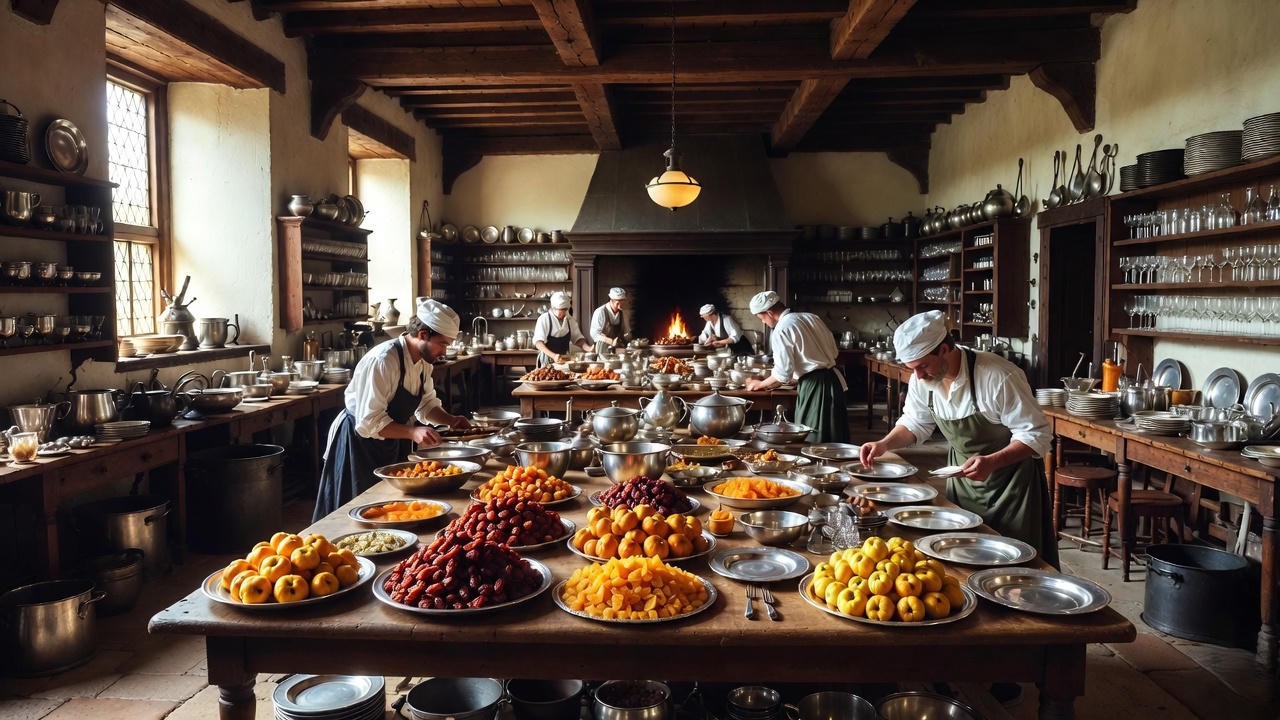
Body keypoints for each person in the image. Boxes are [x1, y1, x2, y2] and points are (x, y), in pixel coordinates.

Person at [858, 309, 1058, 567]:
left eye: (922, 367)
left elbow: (1036, 434)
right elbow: (915, 423)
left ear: (943, 349)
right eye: (912, 369)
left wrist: (992, 462)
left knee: (1013, 560)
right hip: (962, 481)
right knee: (962, 554)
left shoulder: (997, 376)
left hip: (1011, 485)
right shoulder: (924, 380)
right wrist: (884, 444)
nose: (917, 376)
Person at [313, 298, 472, 520]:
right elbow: (369, 421)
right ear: (423, 335)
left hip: (390, 439)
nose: (444, 351)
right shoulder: (384, 360)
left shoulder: (424, 361)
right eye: (443, 344)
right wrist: (412, 432)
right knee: (356, 511)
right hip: (358, 441)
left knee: (388, 508)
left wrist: (450, 420)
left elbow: (426, 404)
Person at [743, 290, 848, 443]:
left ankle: (815, 466)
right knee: (834, 437)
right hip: (833, 382)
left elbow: (782, 374)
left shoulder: (781, 329)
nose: (763, 322)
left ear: (769, 312)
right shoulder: (811, 318)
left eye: (762, 318)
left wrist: (760, 384)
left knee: (814, 438)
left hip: (814, 388)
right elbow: (833, 352)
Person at [533, 291, 592, 367]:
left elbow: (578, 339)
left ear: (566, 309)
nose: (560, 313)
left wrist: (588, 348)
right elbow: (538, 343)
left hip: (564, 361)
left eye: (563, 310)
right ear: (552, 307)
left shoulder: (570, 320)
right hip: (547, 361)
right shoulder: (544, 319)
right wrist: (554, 356)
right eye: (557, 309)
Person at [589, 287, 631, 355]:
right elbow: (594, 334)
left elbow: (627, 332)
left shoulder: (623, 313)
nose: (621, 304)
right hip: (602, 349)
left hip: (617, 349)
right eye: (618, 302)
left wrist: (629, 342)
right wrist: (610, 341)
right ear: (611, 300)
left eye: (622, 301)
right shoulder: (600, 312)